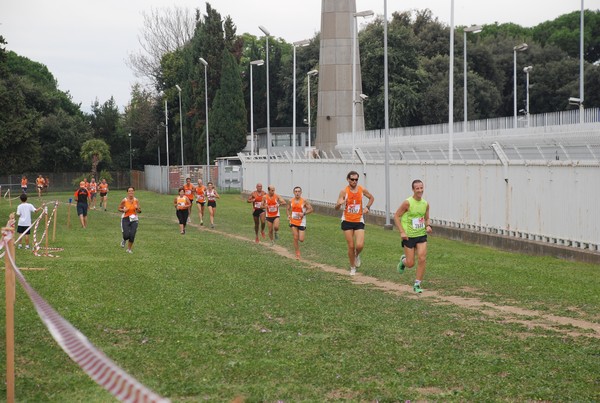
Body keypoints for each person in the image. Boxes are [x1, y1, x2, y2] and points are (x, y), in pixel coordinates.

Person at [394, 179, 433, 294]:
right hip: (409, 236)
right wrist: (402, 232)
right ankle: (403, 261)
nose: (420, 190)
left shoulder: (425, 204)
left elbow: (426, 218)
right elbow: (396, 216)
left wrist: (428, 226)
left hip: (421, 235)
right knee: (411, 263)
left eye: (421, 188)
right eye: (417, 188)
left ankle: (417, 284)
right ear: (413, 190)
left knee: (422, 258)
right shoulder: (407, 203)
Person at [334, 170, 375, 276]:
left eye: (356, 179)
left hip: (358, 220)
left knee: (360, 245)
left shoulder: (361, 189)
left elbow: (371, 198)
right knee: (351, 246)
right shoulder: (344, 191)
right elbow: (336, 207)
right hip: (347, 220)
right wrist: (339, 204)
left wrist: (367, 207)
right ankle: (352, 267)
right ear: (348, 179)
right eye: (352, 179)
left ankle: (356, 255)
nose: (354, 181)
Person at [286, 186, 313, 259]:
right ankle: (297, 252)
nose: (297, 193)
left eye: (298, 191)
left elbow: (311, 209)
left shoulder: (304, 201)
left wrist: (303, 213)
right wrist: (288, 216)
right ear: (293, 192)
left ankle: (297, 242)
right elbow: (288, 209)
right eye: (296, 191)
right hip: (293, 221)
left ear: (301, 192)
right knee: (295, 237)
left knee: (301, 239)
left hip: (301, 221)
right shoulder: (290, 201)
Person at [118, 187, 141, 253]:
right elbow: (119, 208)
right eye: (129, 191)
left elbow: (139, 211)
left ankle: (129, 249)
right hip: (125, 218)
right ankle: (124, 239)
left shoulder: (136, 200)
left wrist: (137, 209)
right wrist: (123, 210)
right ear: (127, 192)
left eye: (132, 191)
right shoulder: (124, 200)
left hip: (134, 219)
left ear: (134, 192)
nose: (131, 192)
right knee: (126, 235)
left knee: (132, 235)